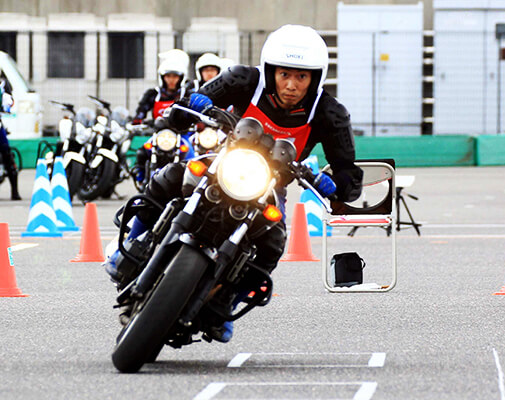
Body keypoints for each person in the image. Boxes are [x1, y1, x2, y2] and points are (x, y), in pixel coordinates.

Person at [105, 25, 362, 342]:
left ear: (315, 78)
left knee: (274, 242)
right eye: (285, 75)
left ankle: (227, 300)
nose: (292, 85)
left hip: (269, 186)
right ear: (270, 71)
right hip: (224, 160)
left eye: (301, 77)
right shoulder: (244, 79)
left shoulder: (330, 113)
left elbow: (348, 173)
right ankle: (135, 241)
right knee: (170, 177)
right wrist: (196, 105)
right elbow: (188, 104)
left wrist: (332, 185)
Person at [132, 49, 192, 182]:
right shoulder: (153, 94)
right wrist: (138, 120)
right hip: (158, 134)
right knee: (142, 152)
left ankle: (189, 182)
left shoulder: (186, 94)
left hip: (181, 134)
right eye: (168, 76)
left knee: (191, 153)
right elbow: (142, 109)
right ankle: (141, 178)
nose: (171, 80)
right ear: (162, 77)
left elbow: (194, 111)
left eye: (175, 76)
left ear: (180, 78)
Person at [0, 77, 21, 200]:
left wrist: (6, 105)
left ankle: (15, 191)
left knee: (6, 152)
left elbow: (9, 100)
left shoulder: (2, 85)